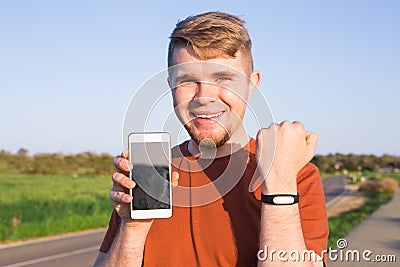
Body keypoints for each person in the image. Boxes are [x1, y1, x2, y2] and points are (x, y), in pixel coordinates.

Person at [93, 11, 328, 267]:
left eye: (223, 78)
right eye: (188, 80)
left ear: (252, 84)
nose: (204, 96)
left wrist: (280, 185)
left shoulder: (294, 176)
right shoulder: (150, 173)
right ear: (171, 85)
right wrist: (132, 229)